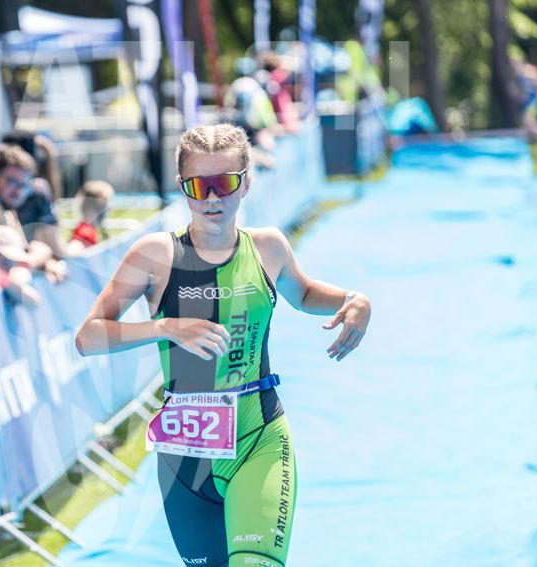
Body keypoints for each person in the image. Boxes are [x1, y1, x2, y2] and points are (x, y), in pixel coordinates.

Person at [75, 124, 372, 566]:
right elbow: (88, 337)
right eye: (199, 186)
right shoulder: (155, 255)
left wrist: (354, 299)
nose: (212, 198)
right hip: (185, 457)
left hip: (258, 437)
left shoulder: (268, 247)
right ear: (182, 187)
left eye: (224, 183)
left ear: (246, 183)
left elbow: (305, 293)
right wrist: (165, 327)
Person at [0, 144, 68, 281]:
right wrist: (41, 255)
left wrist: (46, 263)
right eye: (12, 182)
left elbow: (23, 252)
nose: (18, 191)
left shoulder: (9, 212)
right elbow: (11, 266)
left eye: (24, 186)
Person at [0, 225, 41, 307]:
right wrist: (13, 282)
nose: (10, 267)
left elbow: (34, 302)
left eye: (13, 261)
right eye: (6, 261)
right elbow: (33, 301)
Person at [67, 180, 114, 254]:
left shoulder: (88, 229)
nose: (106, 210)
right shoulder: (86, 231)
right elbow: (72, 250)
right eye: (105, 205)